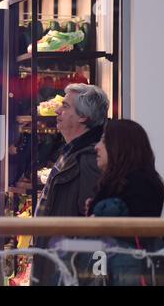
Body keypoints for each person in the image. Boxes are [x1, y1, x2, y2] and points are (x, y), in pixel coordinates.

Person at [32, 83, 109, 286]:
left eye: (65, 106)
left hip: (67, 271)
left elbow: (94, 227)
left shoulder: (90, 159)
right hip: (58, 265)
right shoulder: (73, 153)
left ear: (83, 116)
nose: (58, 110)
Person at [84, 119, 164, 286]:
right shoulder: (121, 184)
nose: (97, 146)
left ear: (120, 146)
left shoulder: (139, 186)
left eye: (104, 140)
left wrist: (99, 214)